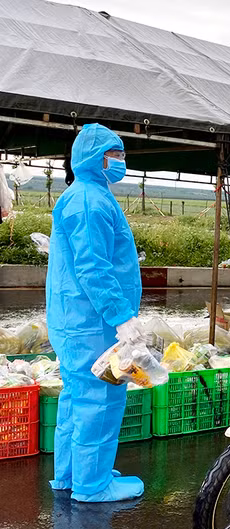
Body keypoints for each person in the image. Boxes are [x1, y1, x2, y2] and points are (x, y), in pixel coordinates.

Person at [46, 123, 144, 503]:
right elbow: (94, 267)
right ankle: (93, 484)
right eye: (114, 154)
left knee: (76, 399)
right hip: (94, 322)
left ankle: (71, 475)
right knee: (100, 400)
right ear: (96, 158)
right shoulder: (91, 201)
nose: (120, 161)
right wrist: (121, 316)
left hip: (76, 320)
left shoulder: (82, 196)